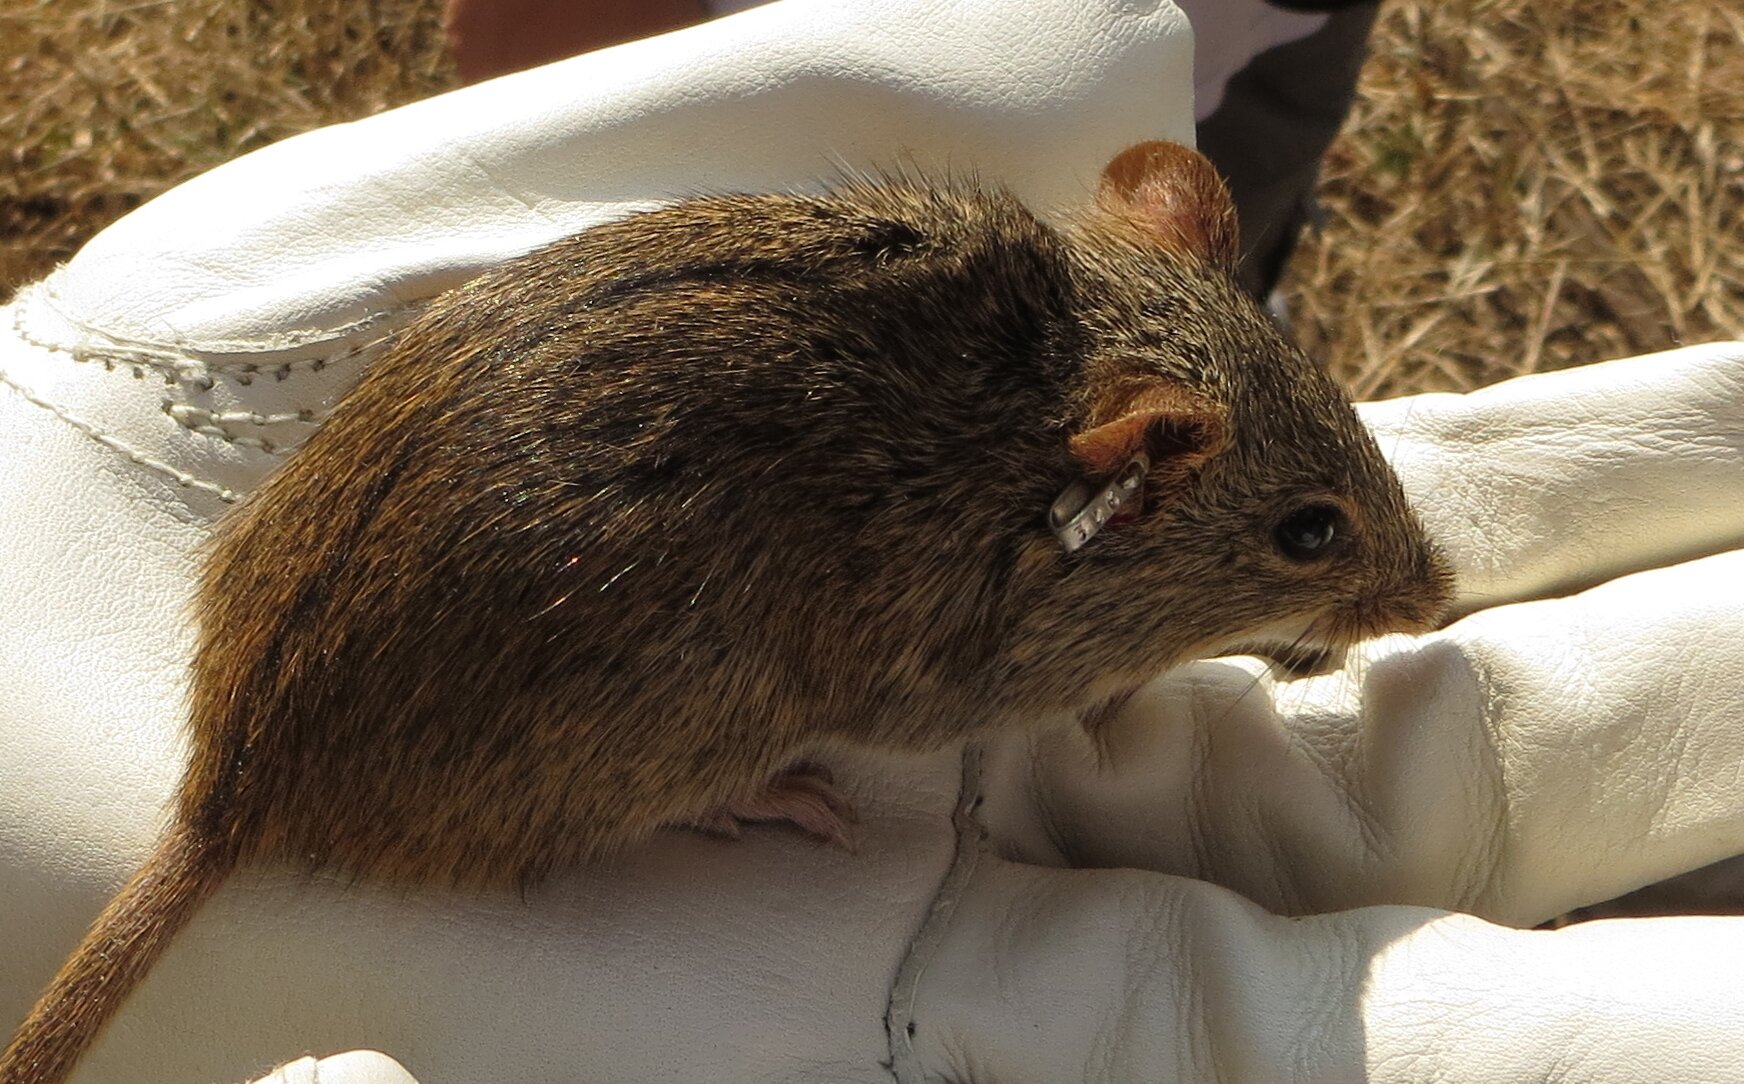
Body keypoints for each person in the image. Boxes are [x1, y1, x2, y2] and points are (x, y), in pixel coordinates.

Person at [3, 2, 1743, 1081]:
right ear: (1132, 473)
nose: (1384, 595)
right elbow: (928, 698)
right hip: (515, 686)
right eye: (1307, 540)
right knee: (727, 656)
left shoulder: (1074, 369)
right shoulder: (1057, 524)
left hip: (290, 602)